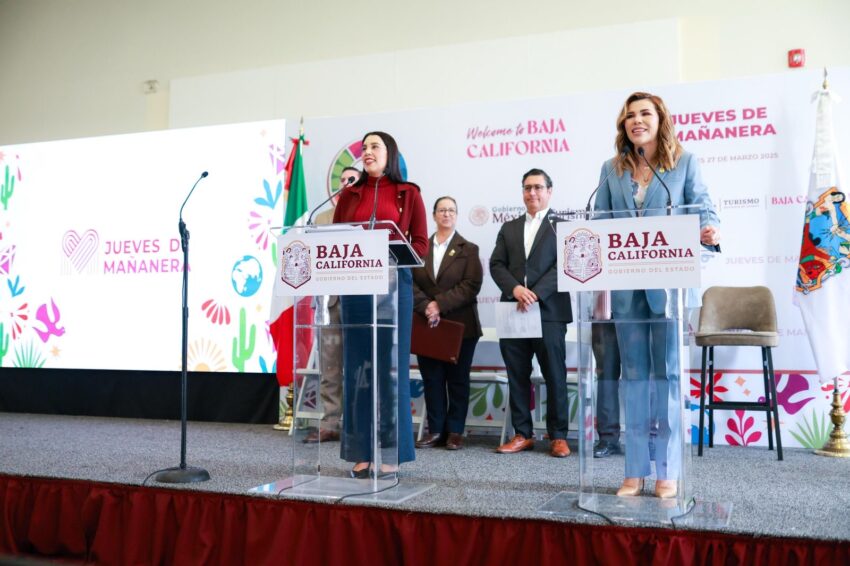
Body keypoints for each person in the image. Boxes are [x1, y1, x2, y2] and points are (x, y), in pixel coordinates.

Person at [593, 92, 720, 499]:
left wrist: (709, 229)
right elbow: (599, 221)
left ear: (660, 119)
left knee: (667, 376)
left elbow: (703, 207)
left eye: (645, 113)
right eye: (630, 115)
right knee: (633, 377)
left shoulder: (683, 162)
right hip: (626, 286)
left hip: (670, 287)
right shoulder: (611, 169)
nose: (637, 121)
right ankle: (634, 471)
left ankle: (667, 471)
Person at [332, 132, 428, 479]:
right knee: (358, 371)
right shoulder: (350, 193)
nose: (368, 152)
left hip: (393, 289)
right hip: (355, 290)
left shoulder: (408, 193)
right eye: (365, 148)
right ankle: (361, 451)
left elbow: (420, 244)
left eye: (375, 147)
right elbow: (336, 239)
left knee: (389, 371)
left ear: (391, 154)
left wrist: (393, 250)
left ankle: (391, 451)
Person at [490, 168, 572, 458]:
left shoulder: (563, 227)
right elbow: (496, 264)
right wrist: (515, 289)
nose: (532, 193)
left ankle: (558, 436)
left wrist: (535, 293)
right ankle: (522, 434)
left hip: (549, 311)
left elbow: (566, 263)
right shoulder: (509, 227)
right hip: (513, 310)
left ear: (549, 191)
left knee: (555, 375)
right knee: (517, 375)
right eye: (527, 188)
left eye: (538, 187)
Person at [413, 196, 483, 451]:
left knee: (457, 379)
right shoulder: (419, 248)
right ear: (434, 215)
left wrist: (439, 305)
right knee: (432, 379)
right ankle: (436, 430)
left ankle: (455, 431)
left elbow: (471, 285)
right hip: (427, 324)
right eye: (442, 210)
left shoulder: (469, 249)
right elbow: (410, 282)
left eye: (451, 210)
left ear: (456, 215)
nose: (446, 214)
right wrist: (426, 306)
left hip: (460, 326)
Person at [304, 167, 361, 443]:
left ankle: (358, 422)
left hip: (359, 301)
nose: (347, 184)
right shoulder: (322, 218)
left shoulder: (367, 216)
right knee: (329, 367)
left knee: (360, 366)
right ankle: (330, 422)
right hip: (329, 303)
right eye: (343, 180)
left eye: (353, 180)